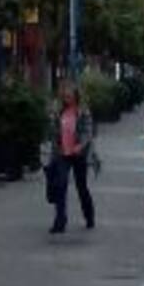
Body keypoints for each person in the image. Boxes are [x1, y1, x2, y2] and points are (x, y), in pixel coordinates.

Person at [48, 82, 95, 234]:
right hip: (62, 153)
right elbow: (54, 131)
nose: (66, 98)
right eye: (64, 96)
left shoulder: (83, 112)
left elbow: (88, 132)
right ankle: (60, 220)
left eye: (69, 96)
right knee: (60, 186)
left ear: (76, 96)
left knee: (81, 187)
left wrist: (80, 146)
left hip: (78, 154)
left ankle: (89, 215)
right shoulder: (59, 111)